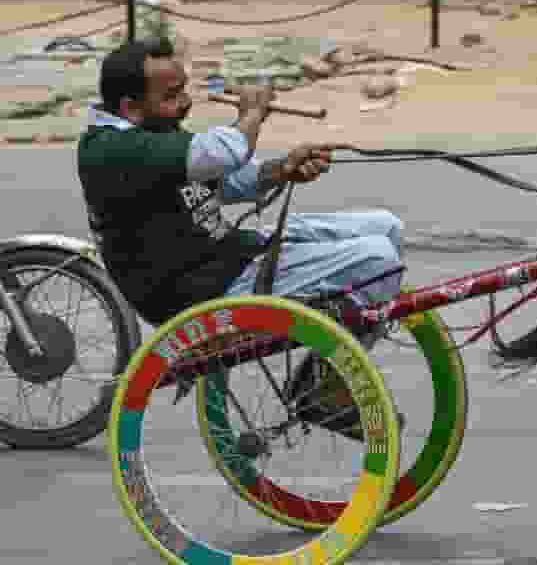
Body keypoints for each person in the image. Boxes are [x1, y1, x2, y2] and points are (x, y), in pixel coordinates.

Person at [76, 36, 402, 438]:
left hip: (229, 256)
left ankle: (326, 363)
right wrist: (252, 112)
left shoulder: (149, 132)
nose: (184, 104)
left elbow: (223, 180)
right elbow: (220, 153)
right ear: (129, 107)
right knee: (377, 262)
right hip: (199, 288)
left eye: (183, 92)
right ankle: (323, 389)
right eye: (172, 96)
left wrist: (282, 169)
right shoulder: (115, 149)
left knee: (385, 226)